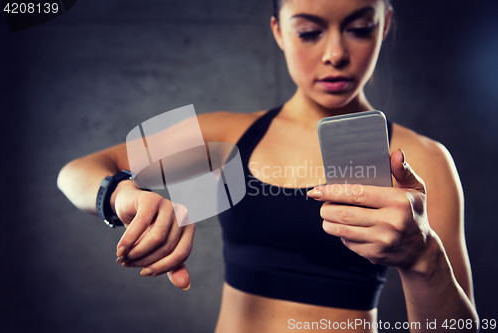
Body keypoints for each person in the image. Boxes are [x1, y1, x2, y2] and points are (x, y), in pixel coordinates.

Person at [57, 0, 479, 332]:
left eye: (359, 28)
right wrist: (119, 193)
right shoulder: (226, 136)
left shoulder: (422, 160)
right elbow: (78, 171)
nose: (335, 53)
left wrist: (423, 259)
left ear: (384, 24)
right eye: (309, 32)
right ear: (278, 30)